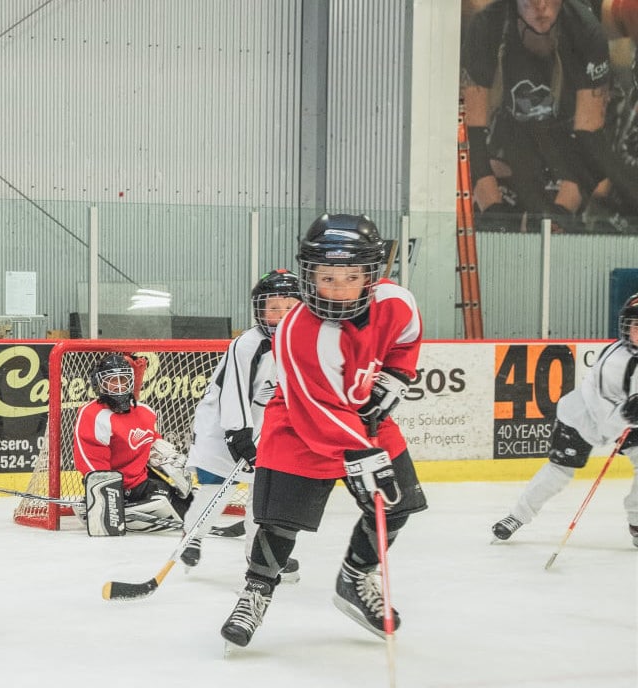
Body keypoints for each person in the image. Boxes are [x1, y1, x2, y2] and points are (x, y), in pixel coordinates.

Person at [220, 213, 427, 648]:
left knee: (397, 503)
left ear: (371, 276)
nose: (336, 289)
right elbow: (316, 408)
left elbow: (406, 340)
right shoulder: (298, 331)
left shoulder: (396, 302)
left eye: (350, 277)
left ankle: (355, 576)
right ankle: (255, 592)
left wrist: (394, 377)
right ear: (308, 275)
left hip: (366, 420)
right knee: (280, 523)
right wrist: (361, 454)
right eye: (325, 277)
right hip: (300, 424)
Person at [461, 0, 631, 231]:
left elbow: (589, 135)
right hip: (510, 138)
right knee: (490, 214)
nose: (540, 6)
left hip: (569, 141)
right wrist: (492, 209)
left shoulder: (585, 27)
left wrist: (561, 212)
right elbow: (472, 130)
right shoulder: (487, 24)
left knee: (563, 218)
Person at [179, 270, 304, 577]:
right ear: (259, 310)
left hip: (264, 426)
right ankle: (191, 536)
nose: (281, 315)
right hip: (222, 425)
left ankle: (257, 554)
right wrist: (239, 434)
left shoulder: (301, 342)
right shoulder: (248, 345)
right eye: (273, 308)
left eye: (289, 308)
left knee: (264, 494)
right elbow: (234, 391)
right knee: (216, 487)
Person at [493, 292, 638, 546]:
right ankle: (517, 516)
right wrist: (628, 414)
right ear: (627, 327)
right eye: (637, 325)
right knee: (559, 471)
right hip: (584, 417)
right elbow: (606, 422)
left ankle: (637, 522)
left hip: (627, 420)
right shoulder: (614, 363)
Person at [72, 353, 194, 537]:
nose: (119, 385)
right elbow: (92, 462)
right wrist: (106, 496)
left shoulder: (145, 412)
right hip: (119, 488)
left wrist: (170, 462)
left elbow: (152, 445)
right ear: (99, 383)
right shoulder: (93, 415)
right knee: (168, 501)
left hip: (141, 482)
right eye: (112, 380)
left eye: (123, 379)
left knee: (193, 500)